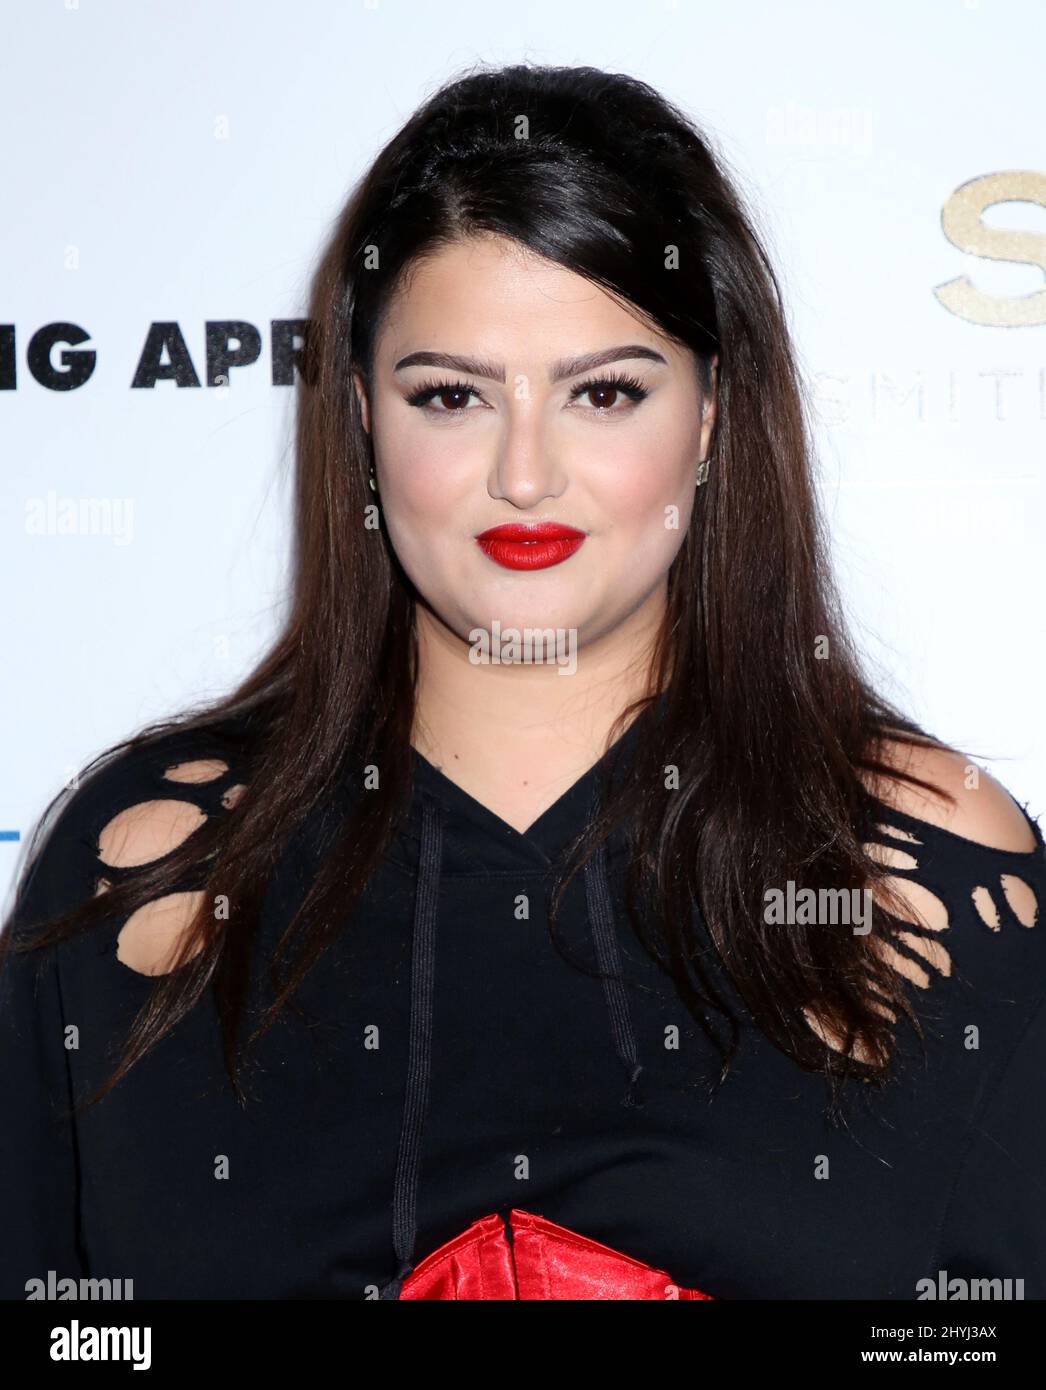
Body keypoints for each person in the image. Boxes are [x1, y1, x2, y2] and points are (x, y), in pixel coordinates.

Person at [2, 62, 1044, 1302]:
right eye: (450, 395)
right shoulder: (148, 867)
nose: (525, 473)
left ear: (712, 415)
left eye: (603, 391)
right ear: (361, 423)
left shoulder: (920, 864)